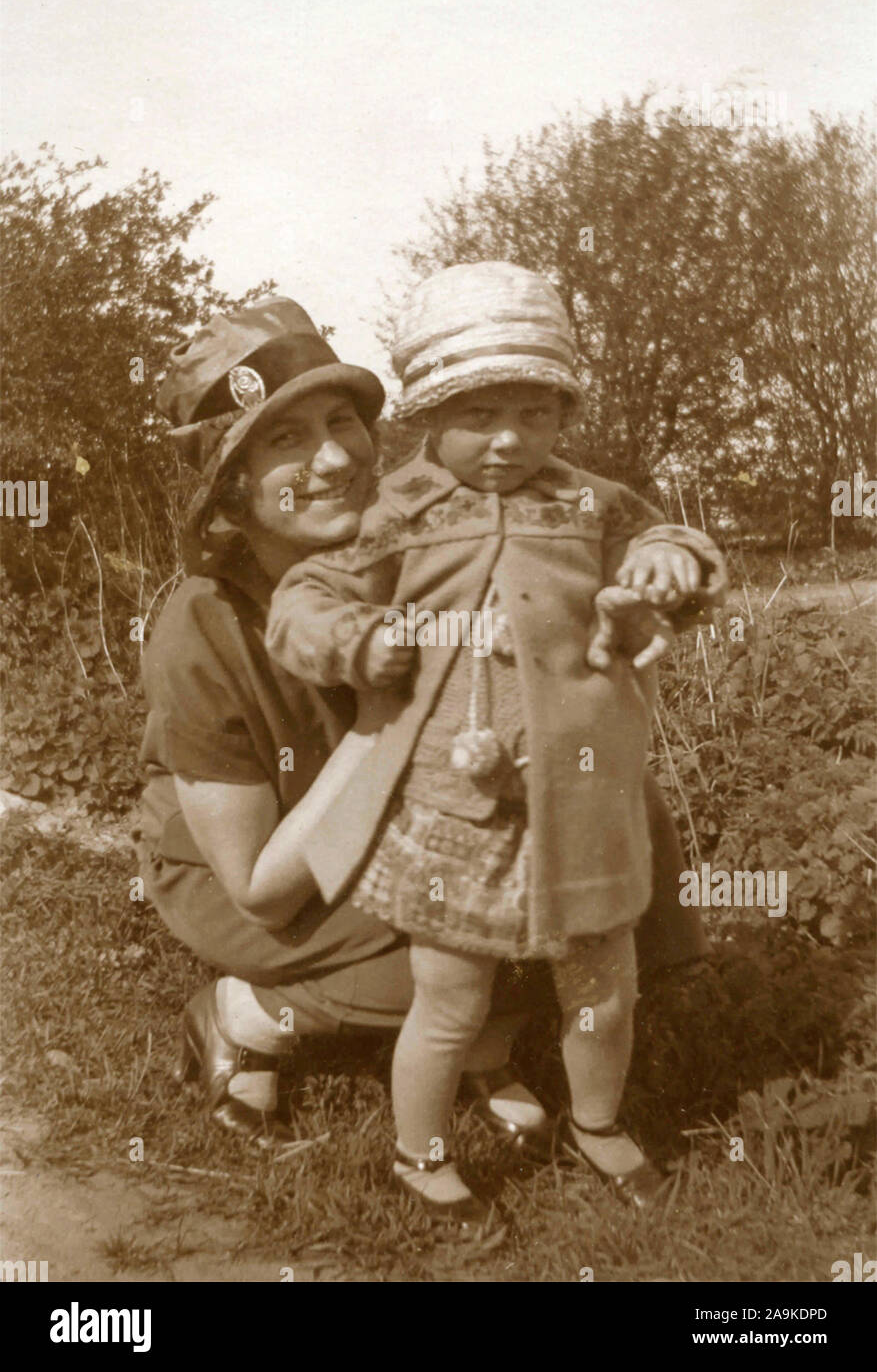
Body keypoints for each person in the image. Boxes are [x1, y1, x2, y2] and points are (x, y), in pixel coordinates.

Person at [135, 292, 709, 1199]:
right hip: (266, 873)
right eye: (283, 442)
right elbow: (260, 885)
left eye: (341, 423)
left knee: (597, 850)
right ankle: (255, 1010)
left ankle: (492, 1041)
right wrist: (384, 714)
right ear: (231, 485)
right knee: (446, 962)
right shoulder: (200, 629)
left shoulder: (419, 531)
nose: (332, 460)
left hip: (422, 805)